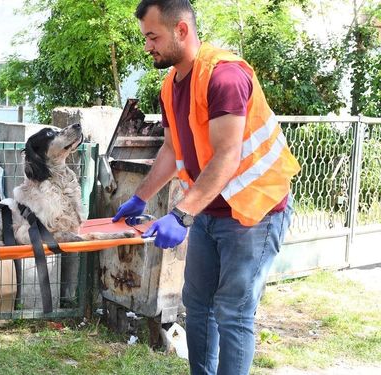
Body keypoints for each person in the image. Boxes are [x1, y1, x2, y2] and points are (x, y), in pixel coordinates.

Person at [112, 1, 301, 374]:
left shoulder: (224, 76)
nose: (147, 46)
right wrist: (141, 196)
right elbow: (171, 149)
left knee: (232, 311)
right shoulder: (170, 85)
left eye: (153, 36)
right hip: (209, 212)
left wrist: (181, 214)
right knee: (197, 305)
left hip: (255, 211)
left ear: (181, 30)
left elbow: (228, 156)